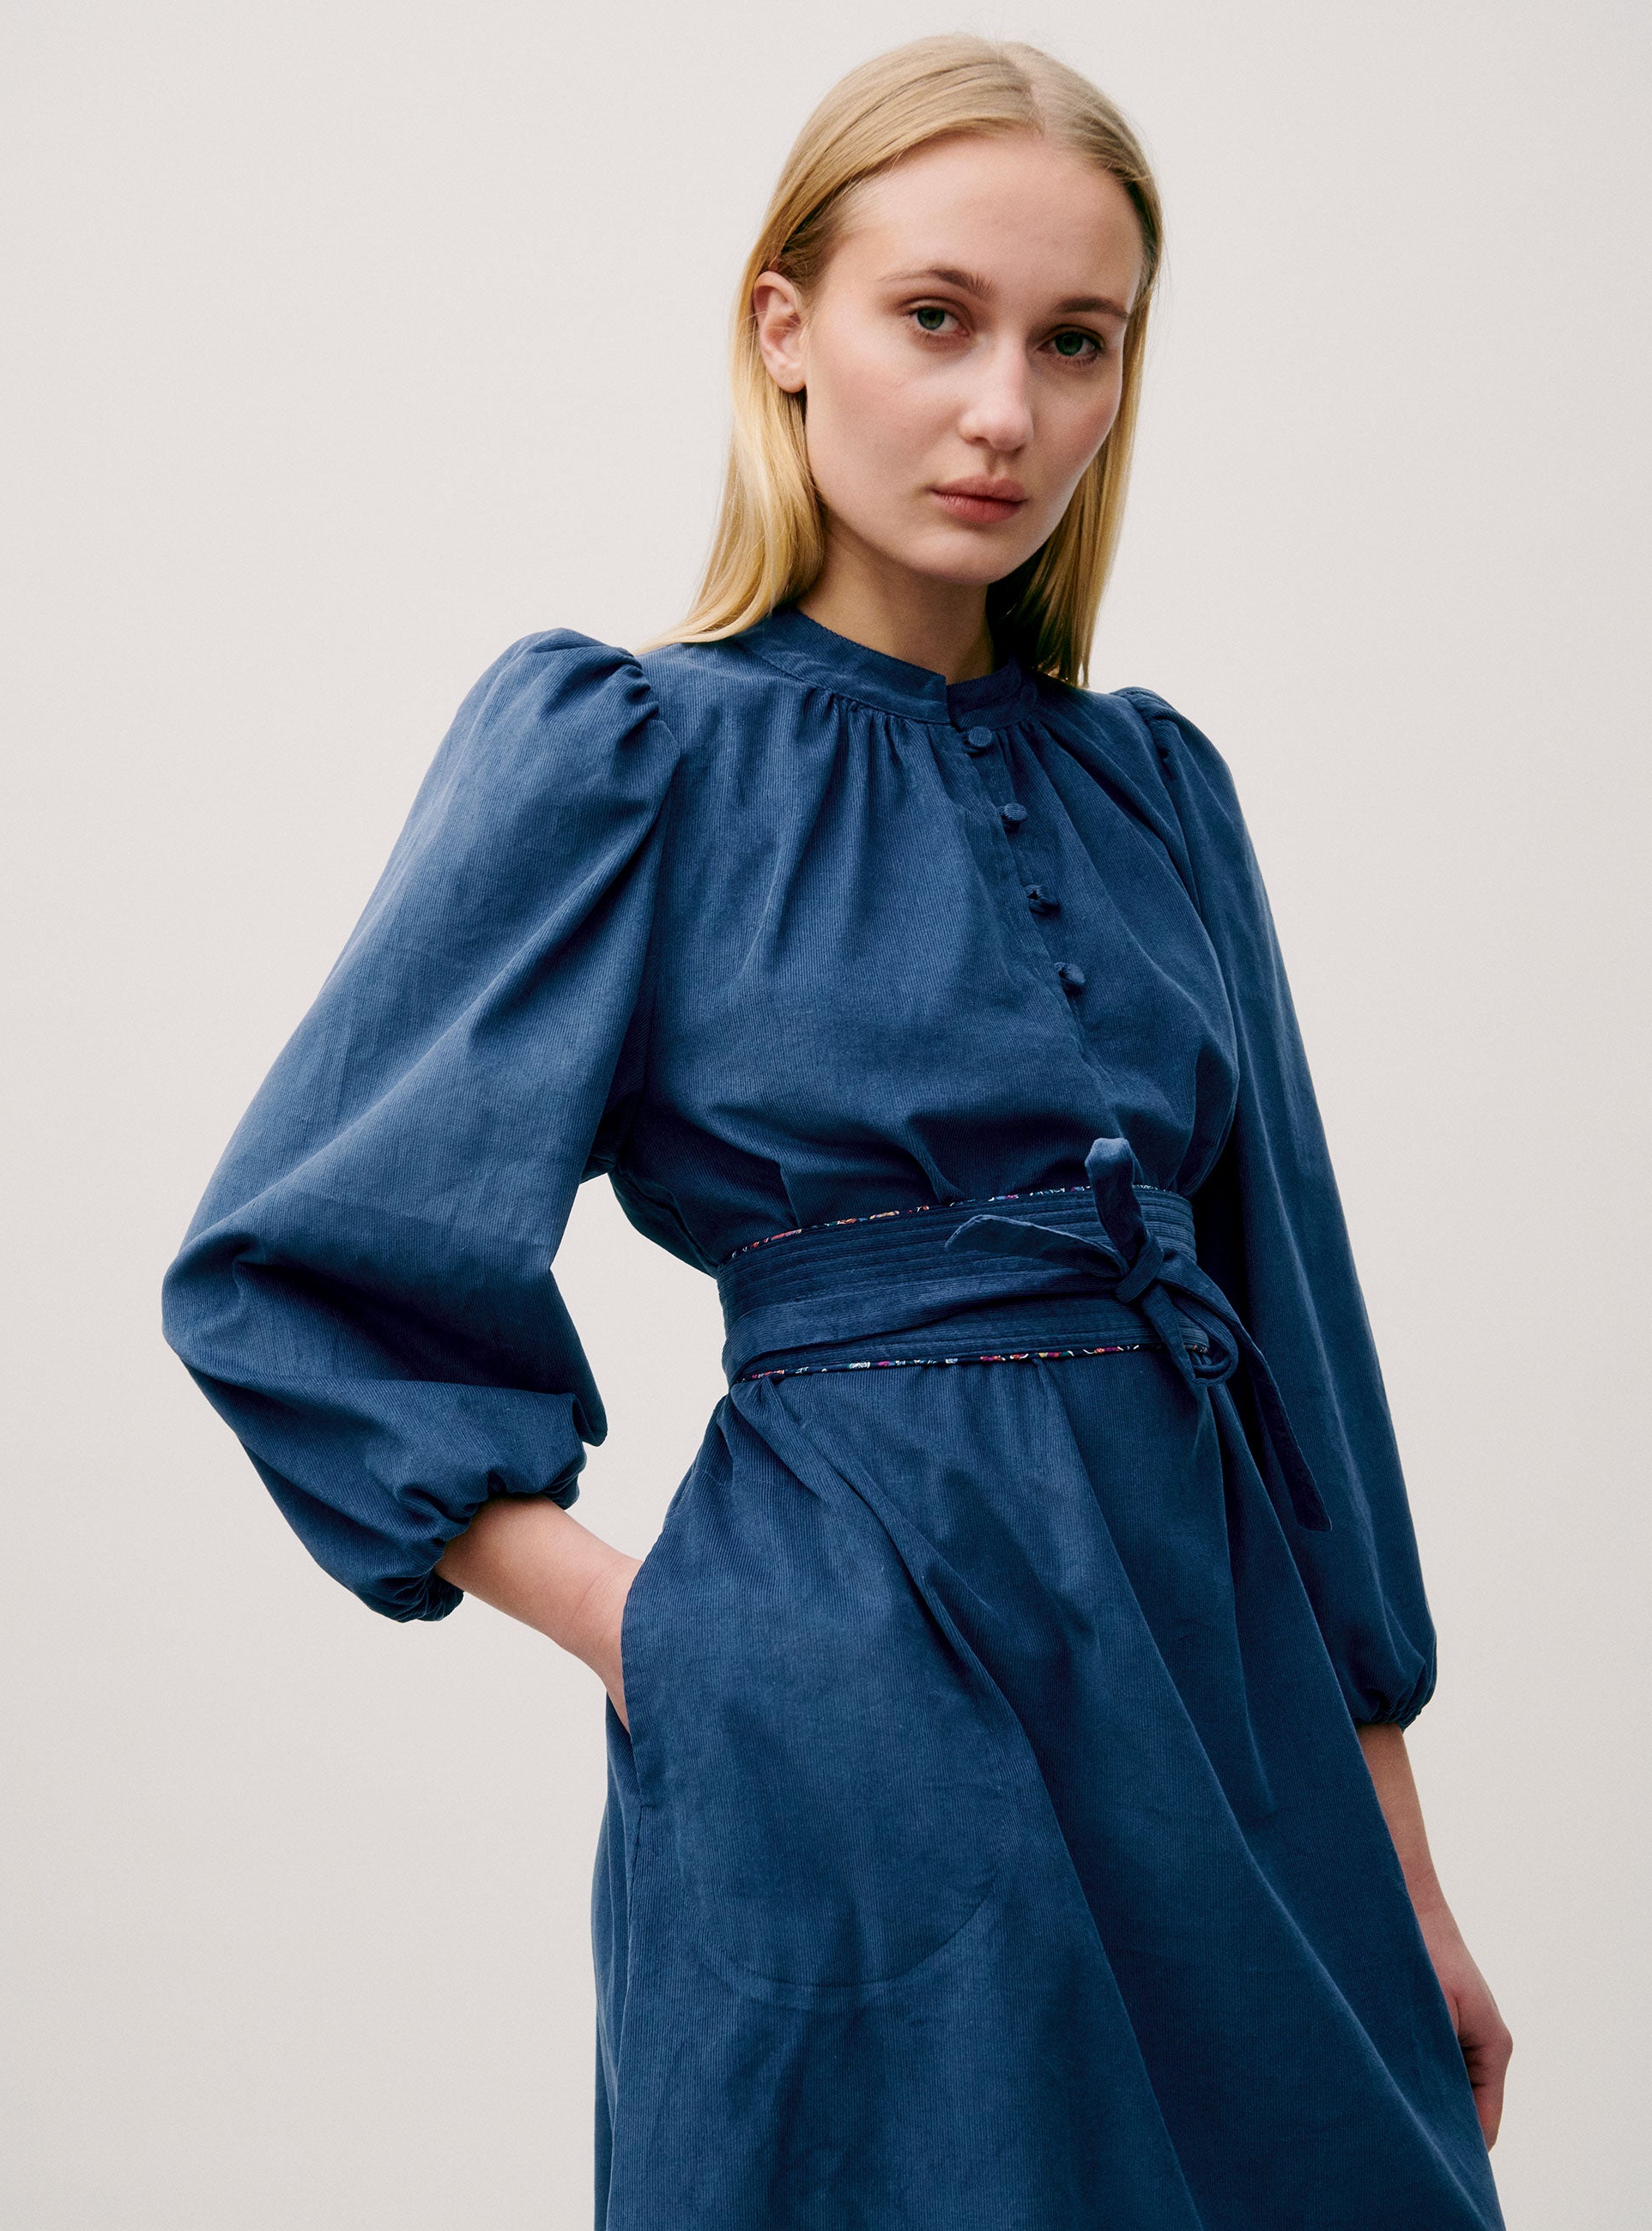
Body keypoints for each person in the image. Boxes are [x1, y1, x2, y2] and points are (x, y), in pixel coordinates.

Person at [163, 34, 1511, 2228]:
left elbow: (1305, 1349)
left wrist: (1408, 1876)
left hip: (1233, 1733)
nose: (1005, 413)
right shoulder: (624, 750)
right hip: (850, 1721)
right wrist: (671, 1637)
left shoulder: (1162, 792)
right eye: (936, 317)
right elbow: (293, 1271)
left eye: (1073, 342)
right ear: (783, 328)